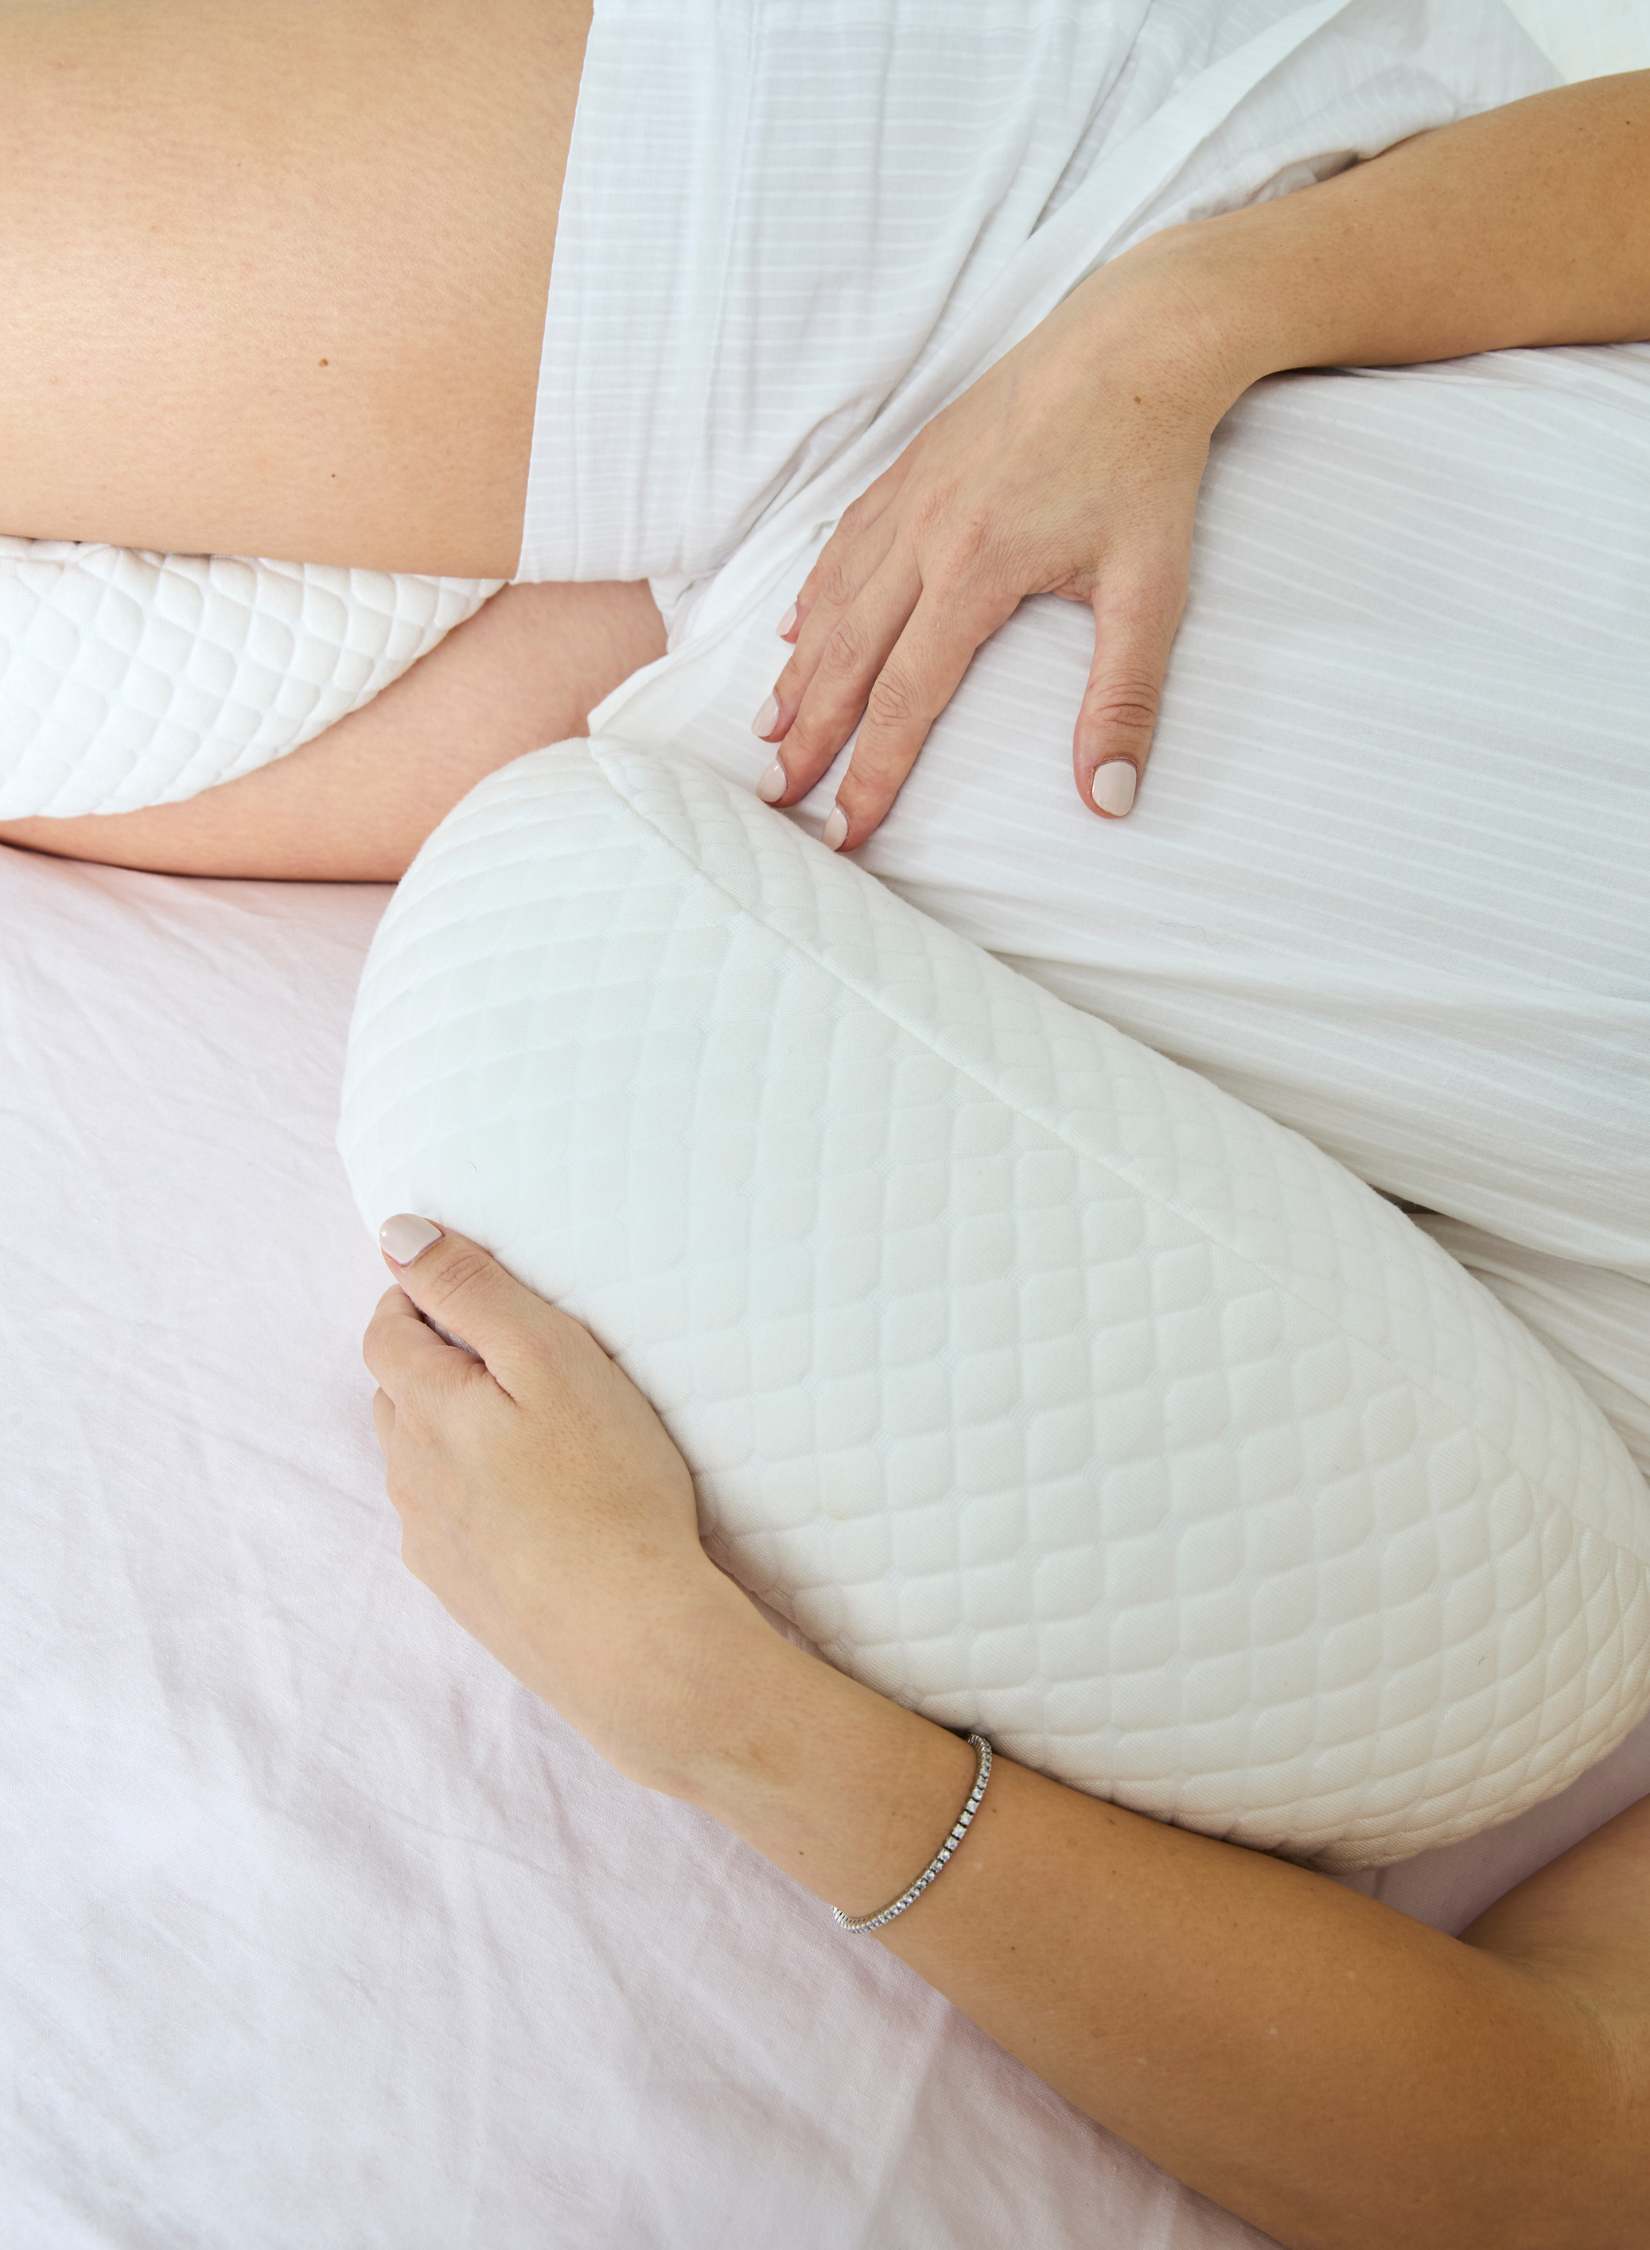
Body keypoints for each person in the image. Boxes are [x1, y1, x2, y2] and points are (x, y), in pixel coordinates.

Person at [0, 5, 1645, 2241]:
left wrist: (727, 1717)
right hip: (1077, 252)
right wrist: (1198, 315)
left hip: (728, 764)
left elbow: (1552, 2144)